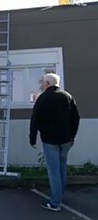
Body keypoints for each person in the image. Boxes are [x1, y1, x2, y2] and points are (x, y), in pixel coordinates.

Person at [29, 73, 80, 211]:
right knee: (62, 166)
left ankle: (55, 202)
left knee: (53, 171)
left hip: (50, 140)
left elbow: (35, 120)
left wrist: (32, 138)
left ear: (47, 83)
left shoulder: (43, 98)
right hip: (66, 140)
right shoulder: (67, 96)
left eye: (43, 83)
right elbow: (76, 118)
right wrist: (72, 136)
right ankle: (60, 193)